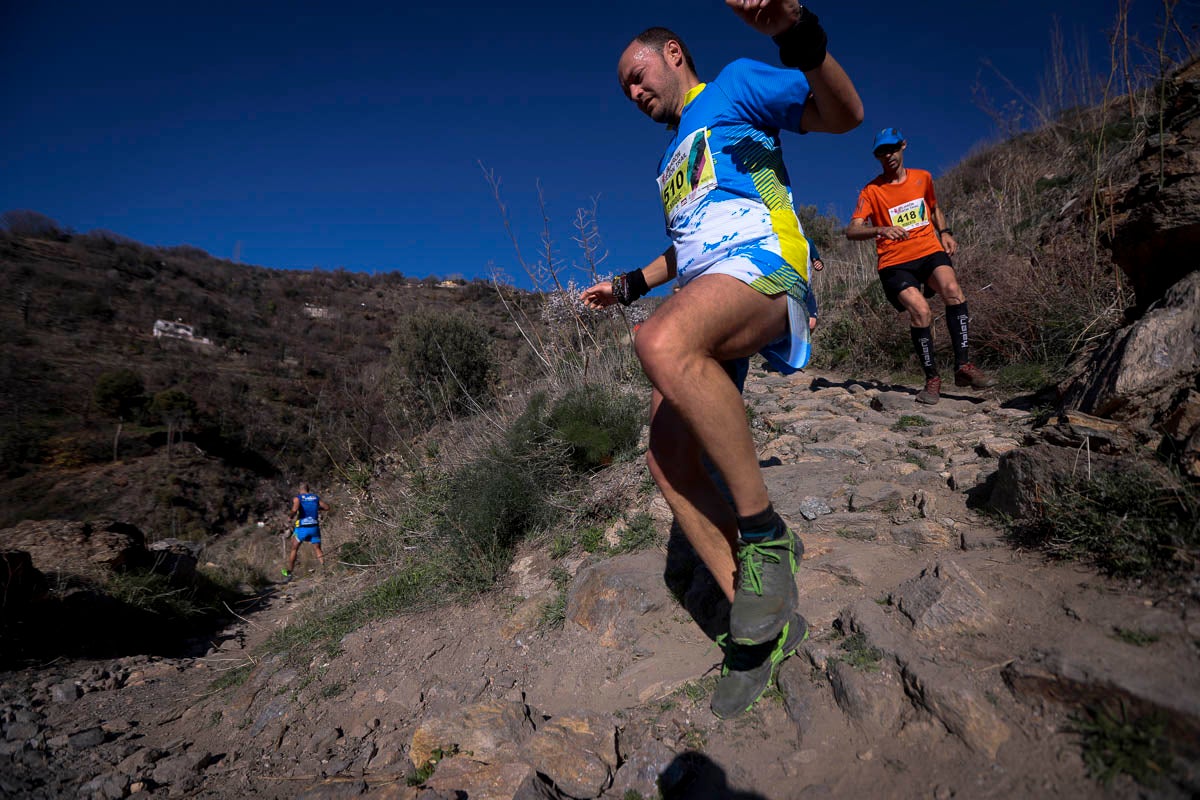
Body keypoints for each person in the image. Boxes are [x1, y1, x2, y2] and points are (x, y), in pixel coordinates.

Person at [580, 0, 862, 718]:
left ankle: (766, 536)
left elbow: (841, 114)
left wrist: (797, 36)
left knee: (661, 342)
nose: (635, 94)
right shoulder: (671, 157)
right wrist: (627, 285)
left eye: (638, 76)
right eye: (625, 93)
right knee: (666, 459)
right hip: (709, 283)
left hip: (766, 262)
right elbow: (689, 244)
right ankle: (760, 626)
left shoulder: (736, 86)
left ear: (673, 53)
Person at [845, 128, 993, 404]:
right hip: (894, 262)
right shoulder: (871, 191)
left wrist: (945, 231)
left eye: (891, 148)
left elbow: (933, 207)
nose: (888, 155)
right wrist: (881, 229)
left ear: (903, 146)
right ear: (877, 156)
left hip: (928, 250)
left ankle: (963, 367)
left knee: (952, 291)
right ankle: (932, 378)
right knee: (921, 311)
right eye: (881, 152)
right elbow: (852, 230)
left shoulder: (922, 177)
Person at [283, 482, 328, 578]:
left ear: (299, 490)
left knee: (294, 549)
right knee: (318, 549)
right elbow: (327, 507)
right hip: (314, 527)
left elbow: (294, 510)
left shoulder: (298, 498)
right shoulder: (315, 497)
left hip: (302, 528)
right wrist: (316, 508)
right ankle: (325, 570)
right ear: (308, 489)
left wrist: (290, 516)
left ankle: (289, 573)